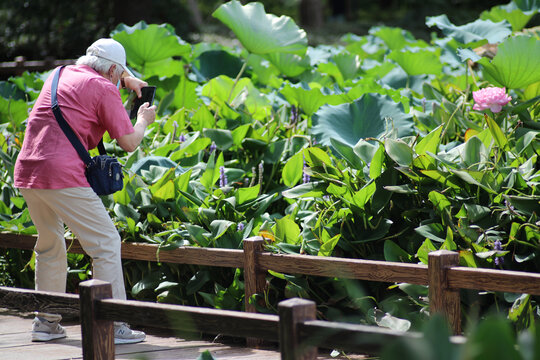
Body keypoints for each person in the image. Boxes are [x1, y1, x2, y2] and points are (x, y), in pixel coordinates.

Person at [13, 38, 156, 344]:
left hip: (28, 170)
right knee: (105, 242)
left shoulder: (59, 74)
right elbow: (129, 142)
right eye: (119, 75)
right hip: (62, 174)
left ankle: (46, 323)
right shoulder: (104, 87)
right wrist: (143, 120)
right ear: (114, 71)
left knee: (50, 244)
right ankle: (113, 323)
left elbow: (92, 82)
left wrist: (123, 77)